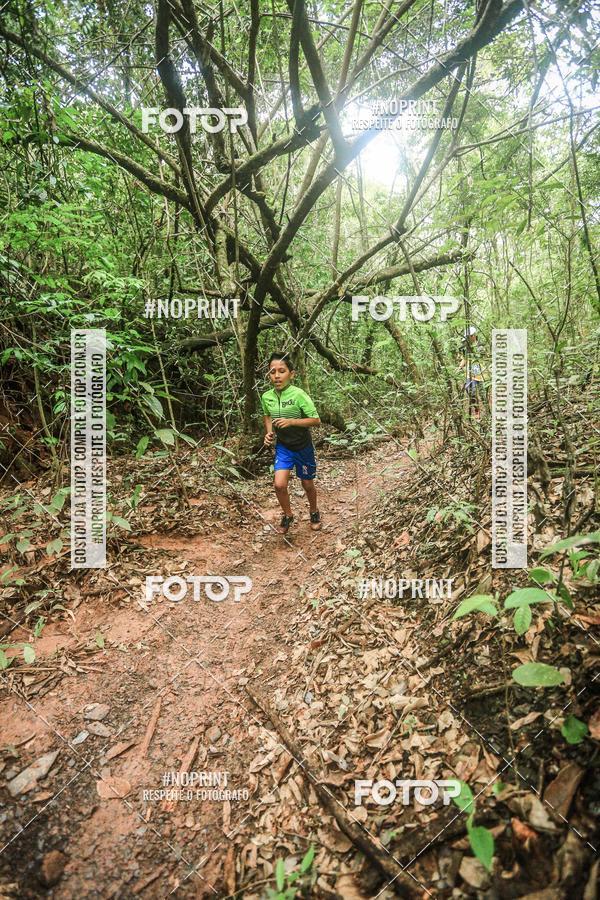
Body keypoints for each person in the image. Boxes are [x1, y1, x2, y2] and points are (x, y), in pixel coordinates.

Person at [261, 352, 322, 534]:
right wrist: (269, 433)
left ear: (291, 374)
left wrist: (291, 421)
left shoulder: (299, 394)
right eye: (272, 372)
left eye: (282, 371)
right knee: (279, 485)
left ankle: (314, 512)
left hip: (303, 446)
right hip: (284, 447)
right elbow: (267, 415)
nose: (277, 375)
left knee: (307, 484)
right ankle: (288, 515)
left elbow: (316, 420)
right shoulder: (267, 397)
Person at [459, 325, 485, 420]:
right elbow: (464, 359)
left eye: (469, 337)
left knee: (483, 394)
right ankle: (477, 410)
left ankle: (488, 410)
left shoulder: (480, 346)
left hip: (480, 373)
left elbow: (484, 357)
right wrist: (459, 367)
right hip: (470, 373)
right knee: (470, 391)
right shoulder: (466, 347)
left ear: (473, 336)